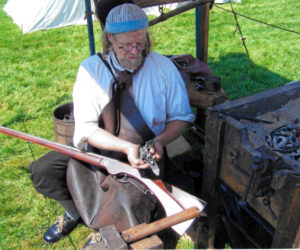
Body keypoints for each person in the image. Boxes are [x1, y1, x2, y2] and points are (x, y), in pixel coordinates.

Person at [29, 1, 195, 245]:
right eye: (125, 45)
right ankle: (74, 212)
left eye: (140, 43)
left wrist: (160, 140)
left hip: (145, 156)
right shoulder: (91, 70)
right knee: (43, 171)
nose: (133, 51)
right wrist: (123, 147)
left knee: (130, 207)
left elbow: (181, 117)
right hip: (99, 148)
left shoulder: (163, 68)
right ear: (109, 40)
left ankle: (106, 233)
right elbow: (85, 129)